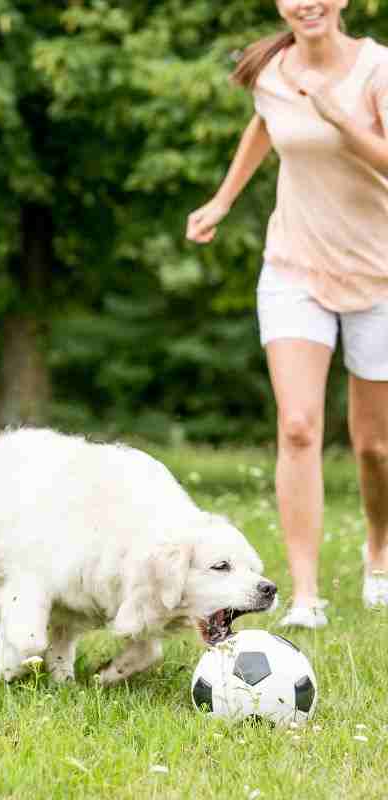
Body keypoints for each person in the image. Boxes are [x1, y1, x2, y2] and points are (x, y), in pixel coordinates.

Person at [186, 0, 388, 626]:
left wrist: (337, 118)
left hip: (380, 274)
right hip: (294, 267)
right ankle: (305, 597)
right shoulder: (274, 70)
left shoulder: (376, 69)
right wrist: (222, 200)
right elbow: (265, 125)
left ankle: (379, 553)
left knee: (376, 446)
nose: (307, 2)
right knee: (298, 425)